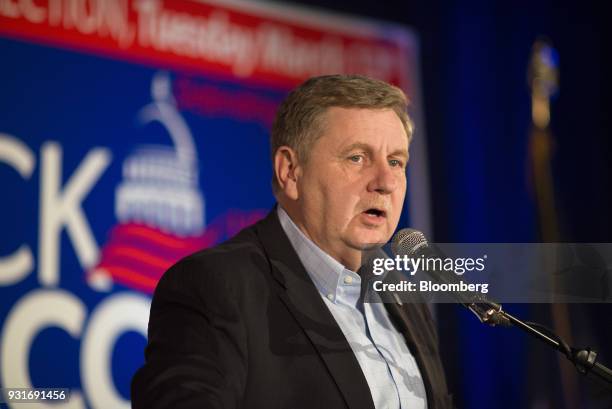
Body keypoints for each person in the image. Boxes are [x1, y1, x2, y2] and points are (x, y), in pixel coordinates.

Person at [131, 75, 453, 409]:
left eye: (396, 162)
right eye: (357, 157)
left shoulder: (404, 296)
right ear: (291, 171)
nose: (385, 182)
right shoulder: (217, 287)